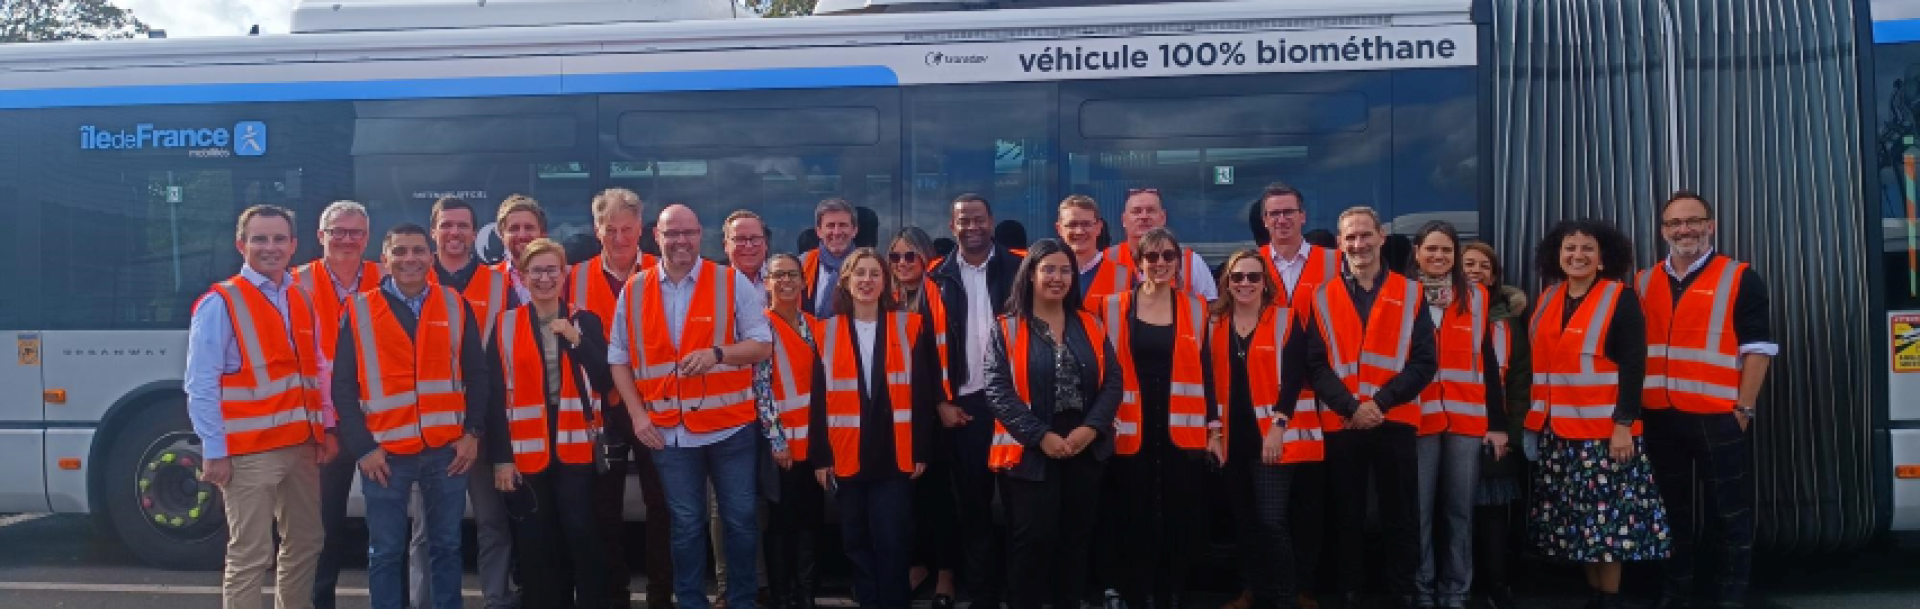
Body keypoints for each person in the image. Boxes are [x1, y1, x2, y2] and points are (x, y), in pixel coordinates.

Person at [611, 204, 774, 609]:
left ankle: (740, 601)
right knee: (683, 526)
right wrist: (637, 415)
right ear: (656, 236)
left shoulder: (731, 282)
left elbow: (762, 345)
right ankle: (690, 602)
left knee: (739, 523)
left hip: (730, 428)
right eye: (672, 233)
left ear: (701, 234)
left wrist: (718, 353)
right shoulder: (634, 289)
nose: (681, 241)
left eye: (689, 232)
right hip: (670, 432)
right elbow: (619, 358)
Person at [333, 224, 491, 609]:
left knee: (447, 548)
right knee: (385, 552)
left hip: (446, 452)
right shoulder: (358, 309)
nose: (410, 259)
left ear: (431, 258)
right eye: (399, 251)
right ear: (384, 259)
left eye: (418, 251)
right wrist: (363, 448)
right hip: (384, 455)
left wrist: (472, 432)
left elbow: (478, 373)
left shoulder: (455, 304)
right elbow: (341, 387)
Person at [186, 204, 332, 609]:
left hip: (300, 445)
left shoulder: (300, 297)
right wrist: (214, 450)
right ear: (241, 245)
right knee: (251, 553)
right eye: (260, 239)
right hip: (250, 452)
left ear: (294, 245)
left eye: (279, 239)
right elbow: (200, 383)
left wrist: (326, 429)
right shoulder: (221, 301)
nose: (271, 247)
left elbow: (317, 369)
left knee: (306, 542)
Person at [1638, 192, 1773, 609]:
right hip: (1660, 417)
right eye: (1675, 223)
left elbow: (1759, 348)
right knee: (1671, 514)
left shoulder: (1740, 277)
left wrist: (1744, 408)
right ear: (1663, 231)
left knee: (1728, 514)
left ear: (1710, 225)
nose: (1684, 230)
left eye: (1693, 221)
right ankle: (1675, 593)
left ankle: (1731, 596)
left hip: (1719, 418)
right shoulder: (1642, 281)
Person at [1526, 219, 1669, 609]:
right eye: (1569, 248)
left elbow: (1634, 365)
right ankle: (1592, 596)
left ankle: (1610, 600)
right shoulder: (1547, 299)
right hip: (1559, 433)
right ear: (1558, 256)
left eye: (1587, 248)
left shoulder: (1619, 298)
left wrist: (1624, 425)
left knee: (1608, 529)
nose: (1577, 255)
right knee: (1576, 526)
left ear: (1603, 259)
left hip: (1605, 435)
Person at [1304, 206, 1437, 609]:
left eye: (1365, 235)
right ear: (1340, 245)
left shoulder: (1412, 292)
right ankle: (1350, 593)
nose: (1358, 244)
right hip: (1344, 423)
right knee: (1347, 517)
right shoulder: (1322, 296)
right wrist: (1350, 407)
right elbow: (1315, 363)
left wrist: (1378, 403)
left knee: (1401, 517)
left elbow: (1424, 362)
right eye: (1350, 238)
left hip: (1394, 420)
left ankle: (1404, 594)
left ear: (1381, 236)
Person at [982, 238, 1124, 609]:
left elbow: (1112, 381)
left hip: (1084, 446)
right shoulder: (1006, 329)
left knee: (1075, 542)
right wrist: (1040, 436)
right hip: (1030, 452)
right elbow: (997, 391)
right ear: (1030, 275)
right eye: (1049, 269)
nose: (1057, 277)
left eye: (1065, 270)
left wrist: (1091, 428)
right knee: (1031, 544)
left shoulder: (1091, 323)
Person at [805, 248, 941, 609]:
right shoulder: (826, 331)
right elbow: (818, 401)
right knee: (856, 541)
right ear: (846, 282)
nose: (866, 281)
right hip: (846, 454)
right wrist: (820, 456)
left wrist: (922, 451)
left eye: (874, 274)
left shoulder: (909, 326)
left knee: (893, 540)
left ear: (886, 282)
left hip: (895, 454)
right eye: (859, 274)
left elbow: (924, 395)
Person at [489, 237, 616, 608]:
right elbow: (494, 399)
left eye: (551, 270)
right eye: (536, 271)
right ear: (524, 277)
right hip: (526, 448)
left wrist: (576, 339)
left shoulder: (585, 320)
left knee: (581, 532)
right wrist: (501, 458)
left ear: (565, 274)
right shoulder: (504, 325)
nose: (544, 278)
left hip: (575, 445)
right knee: (536, 540)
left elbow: (607, 380)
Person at [1231, 182, 1341, 609]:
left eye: (1287, 212)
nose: (1280, 220)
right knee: (1261, 512)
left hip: (1326, 399)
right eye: (1272, 214)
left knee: (1311, 505)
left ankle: (1304, 587)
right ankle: (1257, 585)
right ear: (1264, 221)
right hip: (1268, 403)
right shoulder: (1252, 265)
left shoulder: (1334, 263)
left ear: (1303, 216)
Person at [1095, 227, 1210, 609]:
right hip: (1128, 426)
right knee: (1131, 510)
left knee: (1178, 511)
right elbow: (1098, 369)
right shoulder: (1111, 306)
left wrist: (1215, 429)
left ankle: (1171, 592)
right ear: (1138, 263)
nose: (1160, 263)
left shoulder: (1197, 308)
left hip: (1181, 427)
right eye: (1152, 257)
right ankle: (1132, 591)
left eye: (1167, 257)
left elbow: (1209, 372)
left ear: (1178, 263)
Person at [568, 188, 669, 609]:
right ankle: (614, 595)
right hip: (600, 411)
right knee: (604, 510)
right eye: (611, 229)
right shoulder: (575, 277)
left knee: (662, 506)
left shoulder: (663, 273)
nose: (621, 237)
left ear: (642, 231)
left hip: (653, 407)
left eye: (628, 229)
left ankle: (662, 594)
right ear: (597, 231)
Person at [1406, 222, 1510, 609]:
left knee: (1459, 514)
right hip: (1417, 421)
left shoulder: (1477, 298)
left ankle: (1455, 593)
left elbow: (1488, 362)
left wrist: (1497, 424)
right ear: (1416, 252)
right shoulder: (1402, 296)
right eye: (1431, 249)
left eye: (1446, 251)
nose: (1438, 257)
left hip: (1467, 422)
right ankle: (1422, 591)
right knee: (1418, 514)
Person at [928, 193, 1024, 609]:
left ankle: (1022, 593)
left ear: (992, 221)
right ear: (952, 227)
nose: (972, 227)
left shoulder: (1020, 268)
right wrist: (939, 401)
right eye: (963, 220)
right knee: (975, 507)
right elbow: (923, 347)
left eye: (979, 219)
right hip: (966, 407)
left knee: (1023, 507)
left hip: (1017, 406)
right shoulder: (937, 277)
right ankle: (982, 594)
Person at [424, 196, 517, 609]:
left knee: (493, 522)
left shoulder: (500, 284)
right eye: (446, 225)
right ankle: (425, 601)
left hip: (484, 420)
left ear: (476, 233)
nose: (454, 233)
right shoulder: (412, 278)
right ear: (434, 231)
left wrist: (480, 426)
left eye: (463, 225)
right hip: (427, 424)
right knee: (427, 529)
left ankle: (497, 599)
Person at [1210, 249, 1316, 609]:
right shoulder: (1214, 323)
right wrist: (1214, 432)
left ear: (1265, 283)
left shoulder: (1286, 319)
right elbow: (1207, 381)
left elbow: (1295, 378)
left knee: (1272, 522)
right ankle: (1251, 591)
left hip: (1271, 437)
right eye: (1237, 277)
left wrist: (1278, 426)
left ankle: (1286, 596)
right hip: (1230, 438)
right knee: (1244, 522)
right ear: (1227, 282)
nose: (1245, 284)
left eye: (1253, 277)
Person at [297, 200, 382, 609]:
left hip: (378, 424)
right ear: (321, 237)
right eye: (338, 232)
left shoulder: (387, 279)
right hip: (324, 427)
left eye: (355, 233)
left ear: (367, 238)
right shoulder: (296, 283)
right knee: (323, 528)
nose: (347, 240)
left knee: (387, 527)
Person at [890, 227, 961, 609]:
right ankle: (917, 564)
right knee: (907, 497)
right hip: (896, 414)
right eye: (896, 257)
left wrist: (940, 402)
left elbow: (941, 358)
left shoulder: (941, 294)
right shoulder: (887, 298)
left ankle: (947, 572)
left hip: (934, 412)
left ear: (927, 257)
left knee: (938, 497)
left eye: (910, 256)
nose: (902, 264)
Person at [1460, 241, 1528, 609]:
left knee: (1492, 516)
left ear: (1495, 276)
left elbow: (1519, 383)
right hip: (1449, 426)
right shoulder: (1436, 312)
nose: (1475, 271)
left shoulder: (1511, 324)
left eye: (1484, 266)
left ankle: (1497, 586)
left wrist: (1510, 434)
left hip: (1495, 433)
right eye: (1467, 263)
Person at [761, 253, 823, 609]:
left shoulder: (815, 326)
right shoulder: (760, 328)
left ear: (803, 282)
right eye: (777, 275)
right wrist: (777, 440)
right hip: (781, 448)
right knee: (782, 524)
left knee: (810, 522)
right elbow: (761, 389)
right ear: (767, 283)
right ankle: (783, 596)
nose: (785, 282)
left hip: (813, 446)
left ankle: (806, 594)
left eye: (792, 275)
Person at [1108, 188, 1218, 300]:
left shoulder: (1191, 262)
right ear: (1124, 220)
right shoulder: (1105, 260)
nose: (1144, 216)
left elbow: (1210, 309)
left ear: (1163, 218)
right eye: (1136, 211)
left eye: (1151, 210)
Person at [1056, 195, 1130, 308]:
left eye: (1086, 224)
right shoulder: (1046, 275)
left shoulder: (1124, 275)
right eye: (1072, 224)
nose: (1079, 231)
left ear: (1099, 227)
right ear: (1059, 229)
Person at [803, 198, 860, 317]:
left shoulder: (871, 265)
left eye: (843, 225)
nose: (837, 232)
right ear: (819, 231)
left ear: (854, 230)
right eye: (830, 226)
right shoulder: (802, 264)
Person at [498, 194, 549, 305]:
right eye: (514, 228)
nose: (522, 235)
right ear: (502, 236)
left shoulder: (562, 276)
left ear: (543, 234)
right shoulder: (489, 278)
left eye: (529, 228)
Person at [726, 210, 774, 288]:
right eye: (740, 239)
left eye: (755, 238)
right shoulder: (714, 284)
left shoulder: (785, 282)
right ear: (726, 245)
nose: (749, 246)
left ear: (766, 243)